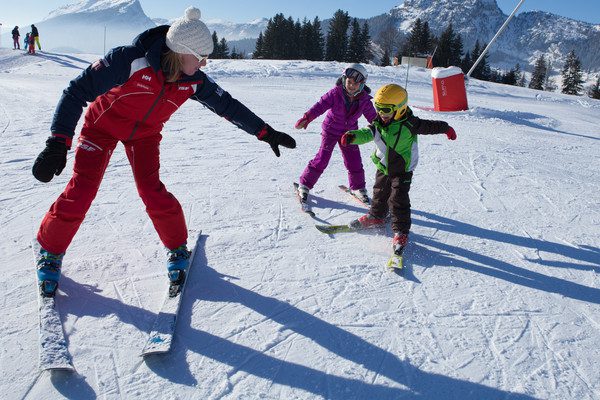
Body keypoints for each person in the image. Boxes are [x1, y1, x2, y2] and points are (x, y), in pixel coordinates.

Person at [31, 7, 296, 297]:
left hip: (143, 136)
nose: (205, 63)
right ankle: (50, 251)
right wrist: (58, 141)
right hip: (101, 128)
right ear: (181, 52)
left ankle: (177, 248)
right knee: (82, 188)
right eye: (200, 57)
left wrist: (264, 132)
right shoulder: (129, 61)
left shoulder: (193, 81)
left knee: (151, 190)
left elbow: (227, 106)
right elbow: (76, 91)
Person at [340, 84, 457, 255]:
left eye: (386, 110)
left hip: (402, 170)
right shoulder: (379, 123)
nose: (381, 113)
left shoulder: (411, 124)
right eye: (378, 109)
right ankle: (377, 216)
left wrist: (446, 128)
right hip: (384, 166)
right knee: (379, 193)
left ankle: (401, 231)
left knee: (398, 200)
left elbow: (431, 126)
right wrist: (353, 136)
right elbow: (367, 133)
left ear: (400, 109)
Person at [295, 63, 377, 204]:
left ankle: (358, 188)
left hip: (350, 134)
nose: (351, 86)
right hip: (331, 131)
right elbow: (320, 106)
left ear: (362, 85)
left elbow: (373, 117)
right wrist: (307, 117)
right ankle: (305, 184)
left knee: (354, 160)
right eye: (349, 82)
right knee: (322, 159)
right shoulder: (335, 93)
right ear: (344, 79)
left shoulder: (364, 100)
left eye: (355, 84)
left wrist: (383, 127)